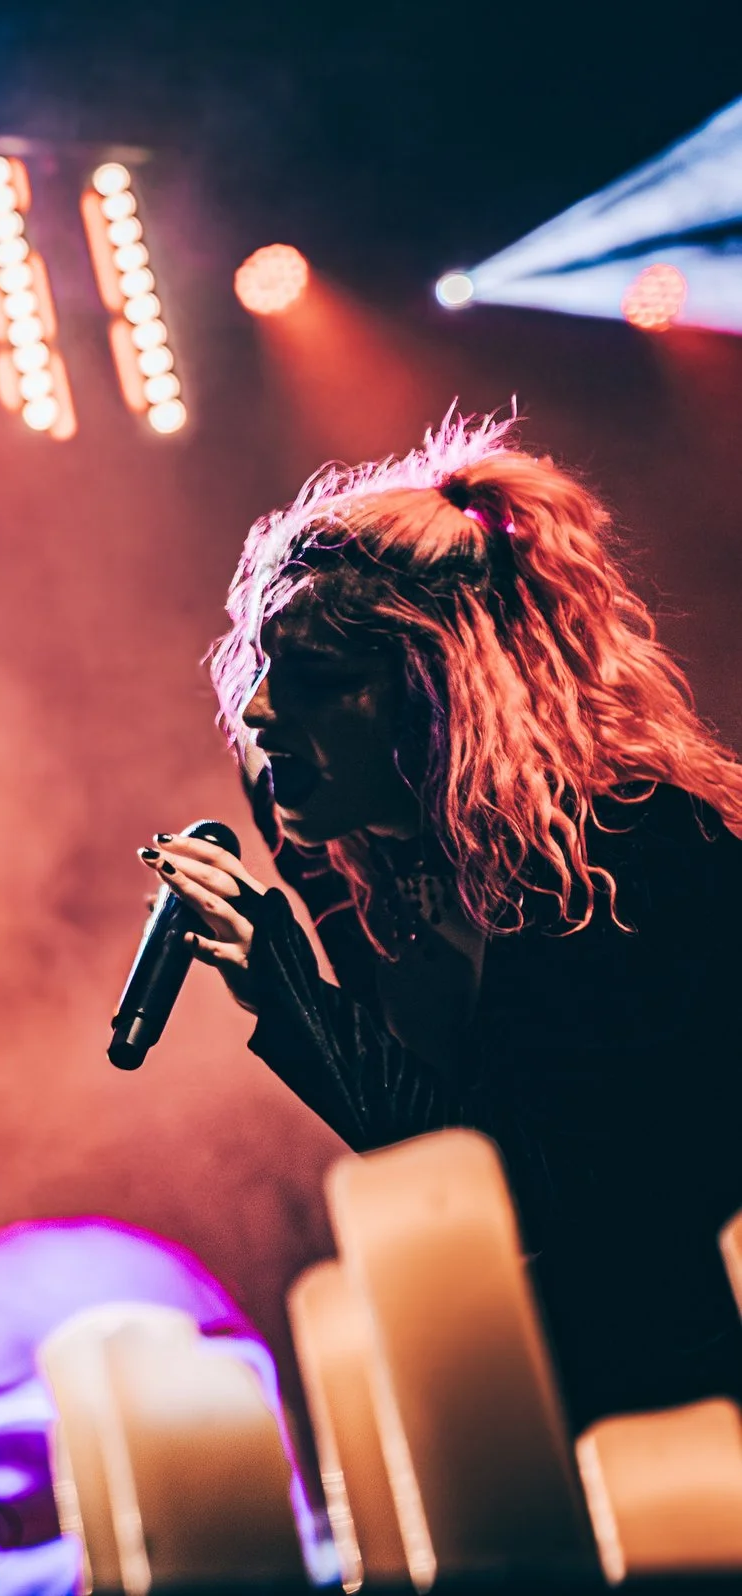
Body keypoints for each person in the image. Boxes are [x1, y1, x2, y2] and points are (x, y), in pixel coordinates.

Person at [143, 415, 742, 1423]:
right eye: (264, 668)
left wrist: (283, 990)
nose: (258, 710)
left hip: (692, 1401)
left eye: (319, 681)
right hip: (550, 1395)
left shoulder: (631, 856)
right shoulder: (373, 856)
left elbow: (503, 1190)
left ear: (444, 693)